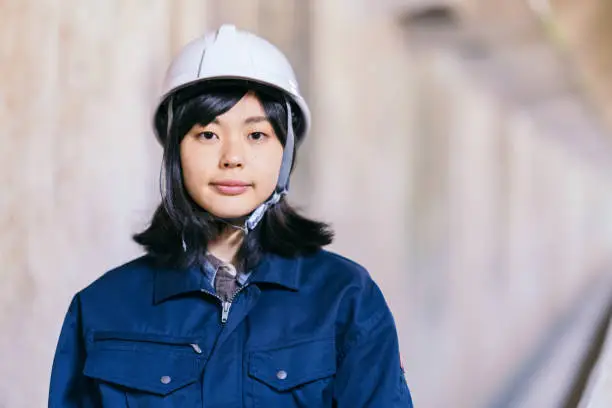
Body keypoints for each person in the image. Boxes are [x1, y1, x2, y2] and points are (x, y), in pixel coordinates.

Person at [48, 24, 414, 408]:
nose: (232, 157)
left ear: (285, 155)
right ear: (176, 152)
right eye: (207, 134)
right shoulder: (103, 307)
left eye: (256, 135)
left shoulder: (345, 299)